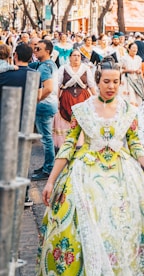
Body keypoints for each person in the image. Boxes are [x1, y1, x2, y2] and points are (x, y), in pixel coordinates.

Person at [36, 58, 144, 276]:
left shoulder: (128, 110)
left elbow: (135, 147)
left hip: (124, 176)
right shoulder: (82, 110)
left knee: (126, 230)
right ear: (97, 81)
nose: (111, 86)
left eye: (116, 82)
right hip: (86, 175)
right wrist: (52, 180)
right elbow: (67, 147)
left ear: (121, 83)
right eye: (106, 81)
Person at [0, 43, 39, 207]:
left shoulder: (5, 74)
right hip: (26, 121)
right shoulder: (34, 74)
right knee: (23, 159)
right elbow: (37, 97)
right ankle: (24, 197)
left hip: (6, 120)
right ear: (31, 57)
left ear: (15, 55)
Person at [52, 49, 96, 149]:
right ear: (70, 57)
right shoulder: (63, 68)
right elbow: (58, 85)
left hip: (83, 99)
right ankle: (67, 145)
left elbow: (91, 85)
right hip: (67, 98)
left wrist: (96, 98)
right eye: (74, 55)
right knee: (66, 121)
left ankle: (81, 144)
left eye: (78, 56)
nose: (76, 58)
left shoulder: (85, 69)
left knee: (82, 121)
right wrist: (57, 100)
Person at [29, 40, 59, 181]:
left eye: (38, 48)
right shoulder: (48, 64)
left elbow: (48, 88)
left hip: (44, 106)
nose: (35, 50)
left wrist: (35, 100)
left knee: (46, 139)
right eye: (34, 48)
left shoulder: (45, 67)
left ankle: (48, 169)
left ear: (47, 51)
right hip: (49, 105)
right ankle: (48, 165)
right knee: (47, 138)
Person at [120, 42, 144, 107]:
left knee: (138, 96)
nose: (135, 49)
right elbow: (120, 70)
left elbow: (140, 68)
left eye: (136, 48)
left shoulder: (138, 58)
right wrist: (128, 70)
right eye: (133, 48)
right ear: (129, 49)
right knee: (129, 97)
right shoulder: (124, 58)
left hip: (137, 78)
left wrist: (139, 71)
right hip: (127, 79)